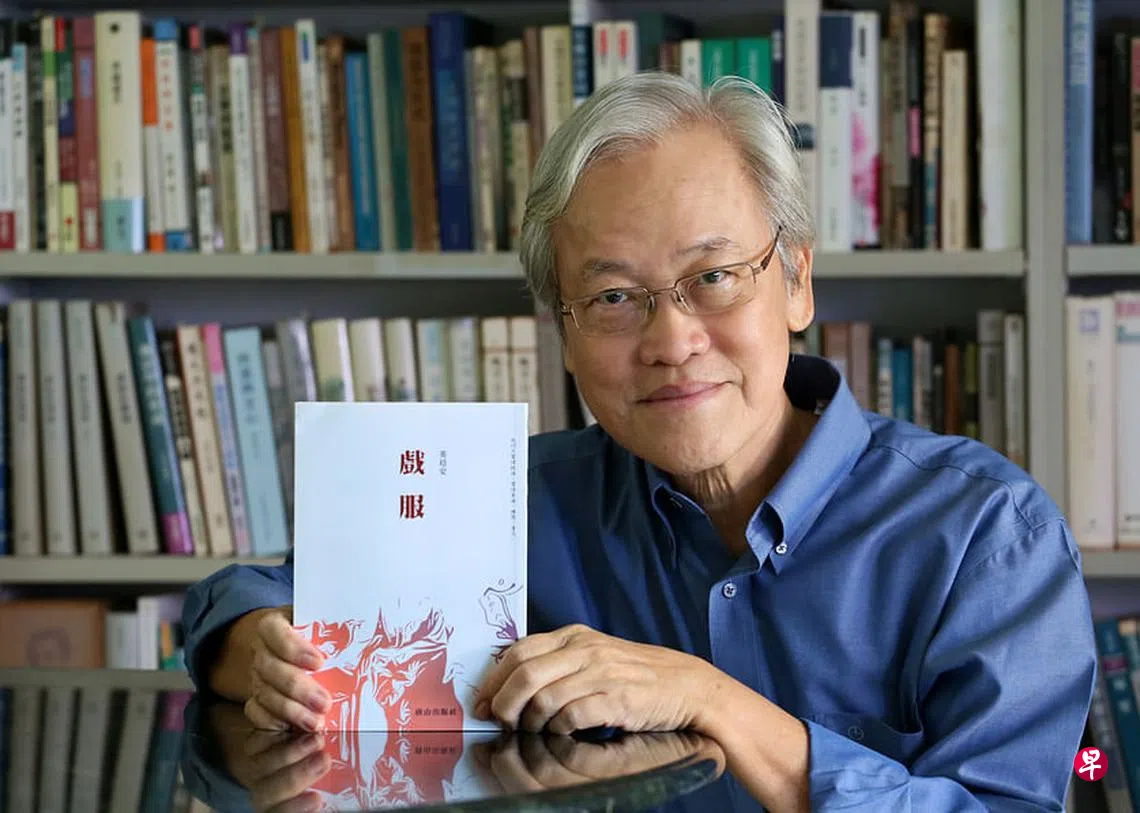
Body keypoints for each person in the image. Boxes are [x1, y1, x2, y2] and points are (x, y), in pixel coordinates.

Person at [181, 71, 1097, 812]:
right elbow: (251, 592)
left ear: (796, 281)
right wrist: (258, 648)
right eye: (615, 296)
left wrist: (710, 699)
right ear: (564, 330)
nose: (672, 340)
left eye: (715, 276)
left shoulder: (986, 536)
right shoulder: (511, 503)